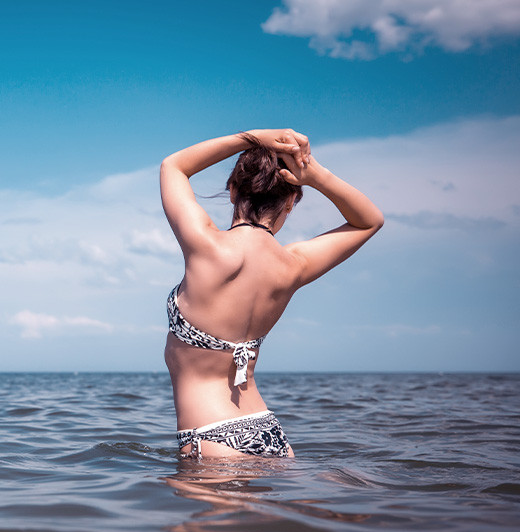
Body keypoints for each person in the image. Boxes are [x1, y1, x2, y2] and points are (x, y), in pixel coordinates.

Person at [161, 128, 384, 458]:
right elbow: (369, 221)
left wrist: (253, 137)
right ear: (292, 202)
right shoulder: (292, 265)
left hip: (210, 436)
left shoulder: (206, 245)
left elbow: (173, 166)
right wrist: (314, 175)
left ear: (233, 189)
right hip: (269, 433)